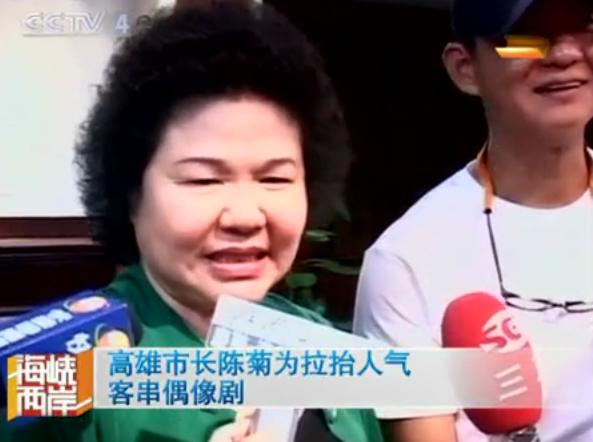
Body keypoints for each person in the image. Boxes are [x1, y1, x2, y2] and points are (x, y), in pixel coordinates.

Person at [1, 3, 383, 441]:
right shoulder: (63, 374)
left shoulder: (325, 346)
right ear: (131, 194)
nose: (245, 216)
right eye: (204, 180)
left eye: (275, 178)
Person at [353, 0, 593, 441]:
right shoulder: (405, 260)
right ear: (465, 68)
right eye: (524, 37)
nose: (563, 54)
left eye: (585, 27)